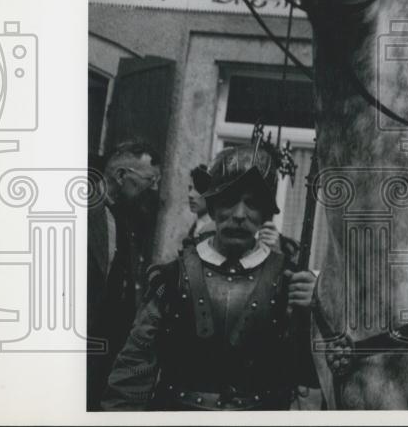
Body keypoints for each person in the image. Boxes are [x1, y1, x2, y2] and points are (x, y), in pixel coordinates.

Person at [101, 142, 319, 411]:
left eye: (252, 204)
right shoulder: (171, 279)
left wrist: (312, 313)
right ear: (213, 207)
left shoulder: (289, 281)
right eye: (229, 201)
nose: (239, 215)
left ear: (264, 214)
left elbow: (309, 376)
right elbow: (134, 369)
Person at [87, 140, 162, 410]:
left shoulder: (128, 219)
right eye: (149, 180)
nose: (153, 189)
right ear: (121, 176)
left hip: (109, 353)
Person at [183, 164, 216, 247]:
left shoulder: (213, 230)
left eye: (198, 189)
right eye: (190, 189)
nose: (190, 195)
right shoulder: (197, 225)